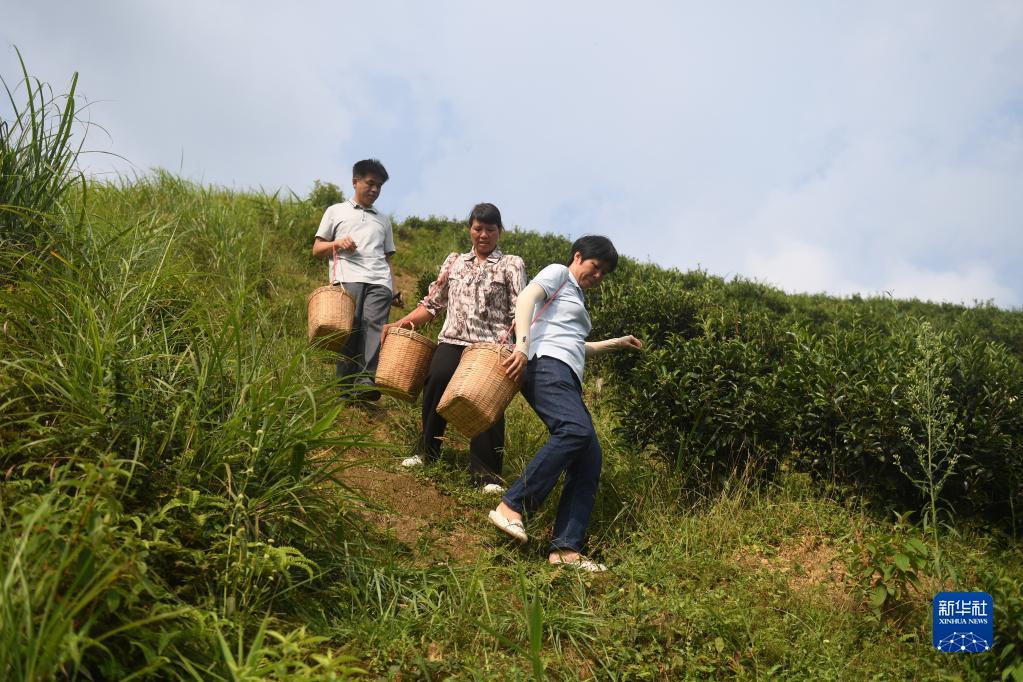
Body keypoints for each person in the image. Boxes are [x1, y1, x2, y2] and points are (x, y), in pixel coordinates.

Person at [488, 235, 642, 572]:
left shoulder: (578, 297)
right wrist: (522, 347)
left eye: (604, 273)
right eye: (595, 266)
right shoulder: (559, 272)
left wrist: (617, 342)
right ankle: (512, 507)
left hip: (564, 371)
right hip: (544, 363)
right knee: (573, 430)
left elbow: (576, 343)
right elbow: (527, 297)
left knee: (589, 457)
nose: (598, 275)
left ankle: (565, 550)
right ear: (578, 256)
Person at [382, 203, 526, 493]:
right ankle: (427, 452)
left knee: (486, 401)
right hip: (453, 339)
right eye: (478, 228)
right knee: (436, 380)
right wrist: (401, 323)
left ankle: (486, 475)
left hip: (491, 346)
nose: (483, 235)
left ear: (500, 232)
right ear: (469, 229)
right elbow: (433, 304)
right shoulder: (455, 262)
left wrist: (518, 346)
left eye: (490, 229)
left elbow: (520, 309)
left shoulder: (511, 264)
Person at [311, 159, 394, 400]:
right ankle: (344, 387)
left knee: (373, 327)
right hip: (348, 277)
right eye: (370, 183)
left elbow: (388, 258)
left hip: (380, 280)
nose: (375, 190)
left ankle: (366, 380)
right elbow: (317, 249)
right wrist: (337, 243)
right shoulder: (336, 211)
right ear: (355, 181)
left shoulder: (383, 220)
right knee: (351, 327)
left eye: (379, 186)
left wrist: (395, 288)